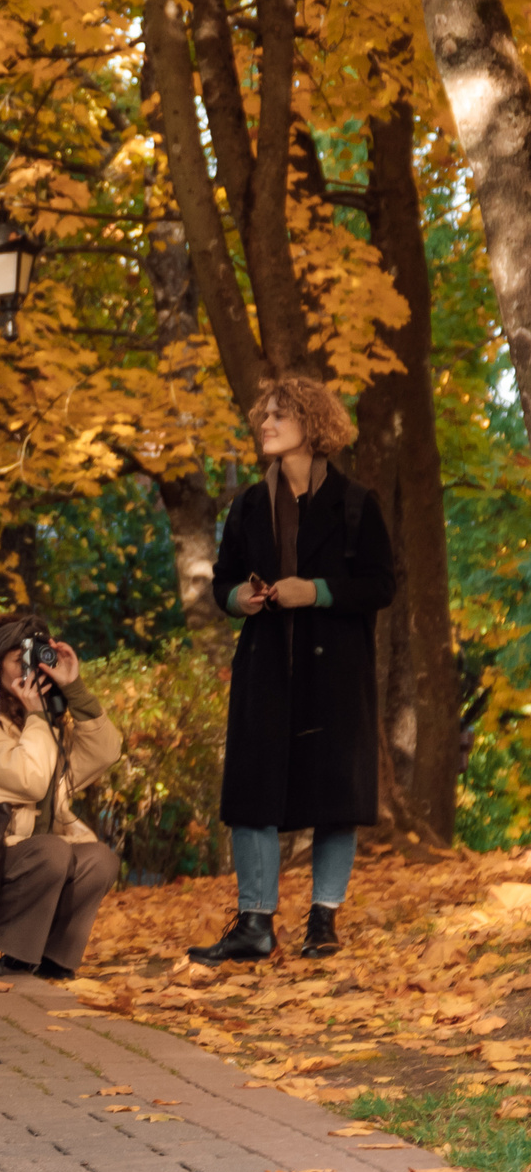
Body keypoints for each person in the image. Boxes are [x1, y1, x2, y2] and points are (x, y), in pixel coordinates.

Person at [190, 374, 397, 965]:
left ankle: (323, 921)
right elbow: (222, 582)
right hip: (266, 668)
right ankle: (255, 923)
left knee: (336, 797)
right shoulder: (250, 504)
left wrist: (318, 592)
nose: (267, 424)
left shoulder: (357, 504)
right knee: (252, 794)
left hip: (334, 676)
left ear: (314, 424)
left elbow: (381, 585)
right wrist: (241, 601)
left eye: (280, 415)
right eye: (265, 415)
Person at [0, 614, 122, 980]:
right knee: (52, 851)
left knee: (98, 859)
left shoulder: (39, 722)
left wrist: (73, 689)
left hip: (27, 856)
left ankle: (48, 956)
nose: (33, 670)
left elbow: (104, 753)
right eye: (19, 660)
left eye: (38, 659)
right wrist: (38, 717)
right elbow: (31, 779)